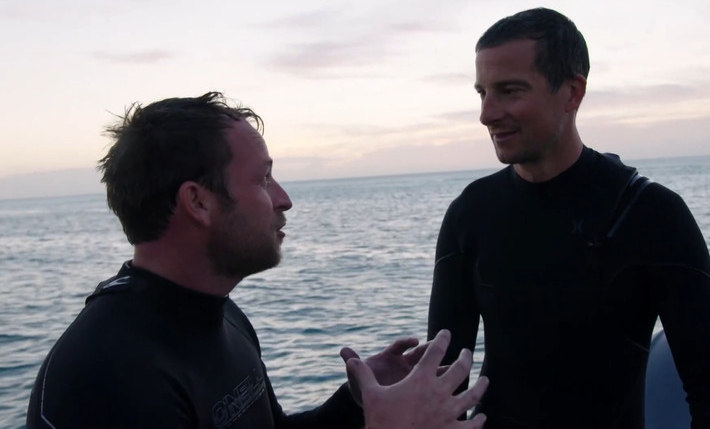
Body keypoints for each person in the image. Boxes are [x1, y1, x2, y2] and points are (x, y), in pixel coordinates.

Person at [27, 92, 488, 429]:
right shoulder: (108, 373)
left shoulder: (220, 314)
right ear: (198, 202)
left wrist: (358, 402)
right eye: (263, 179)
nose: (283, 199)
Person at [427, 7, 710, 428]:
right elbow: (440, 388)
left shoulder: (649, 214)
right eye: (482, 93)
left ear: (572, 92)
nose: (487, 114)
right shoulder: (471, 213)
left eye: (510, 91)